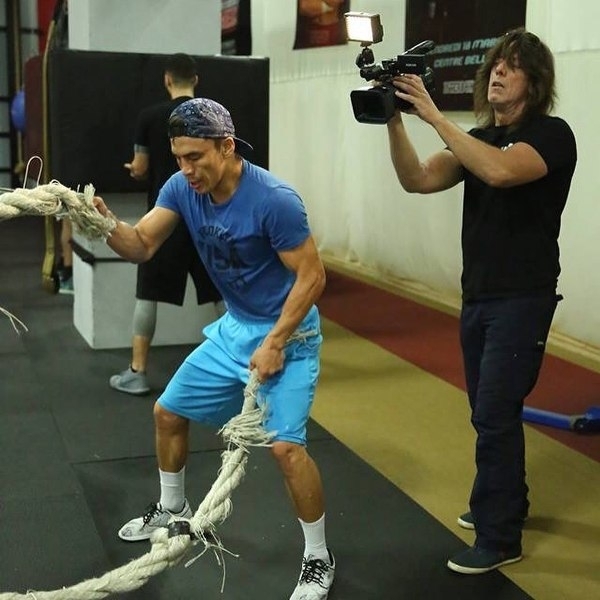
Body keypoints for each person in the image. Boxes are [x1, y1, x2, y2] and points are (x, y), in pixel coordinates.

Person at [94, 98, 335, 599]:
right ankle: (173, 509)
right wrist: (101, 222)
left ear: (227, 146)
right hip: (235, 331)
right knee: (167, 412)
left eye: (195, 157)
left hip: (288, 335)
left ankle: (318, 557)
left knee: (287, 450)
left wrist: (275, 342)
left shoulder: (274, 200)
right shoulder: (181, 188)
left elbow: (312, 276)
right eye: (179, 158)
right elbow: (140, 245)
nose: (186, 169)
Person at [385, 29, 576, 574]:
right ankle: (506, 501)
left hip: (524, 298)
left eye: (511, 66)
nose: (497, 72)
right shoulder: (478, 138)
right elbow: (417, 179)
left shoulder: (552, 135)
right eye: (494, 64)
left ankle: (500, 536)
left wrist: (433, 115)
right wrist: (393, 119)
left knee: (494, 412)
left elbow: (500, 170)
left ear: (534, 82)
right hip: (479, 296)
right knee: (488, 412)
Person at [109, 53, 222, 396]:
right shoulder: (213, 116)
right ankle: (240, 364)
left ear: (167, 80)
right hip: (206, 216)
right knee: (222, 292)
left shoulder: (149, 117)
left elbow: (141, 166)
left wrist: (136, 170)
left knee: (148, 292)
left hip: (165, 217)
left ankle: (137, 371)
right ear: (195, 80)